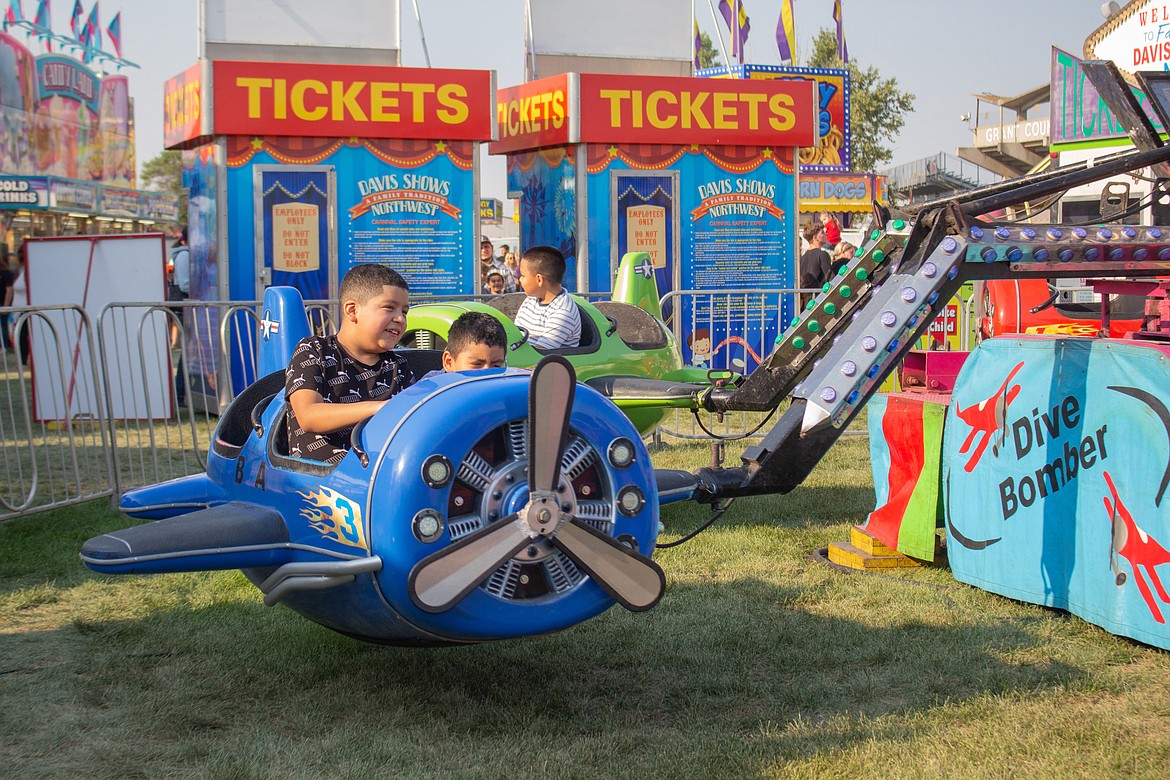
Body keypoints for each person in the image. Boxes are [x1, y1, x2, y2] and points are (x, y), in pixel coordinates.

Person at [285, 264, 415, 464]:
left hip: (377, 475)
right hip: (318, 484)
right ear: (352, 310)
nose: (400, 319)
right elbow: (309, 416)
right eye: (390, 308)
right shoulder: (313, 351)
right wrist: (383, 408)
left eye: (404, 312)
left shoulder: (398, 366)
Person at [515, 245, 581, 350]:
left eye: (523, 275)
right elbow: (516, 335)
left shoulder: (562, 312)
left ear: (539, 280)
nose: (520, 280)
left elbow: (539, 353)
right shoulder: (531, 299)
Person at [798, 222, 832, 311]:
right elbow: (830, 277)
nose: (825, 234)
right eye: (822, 233)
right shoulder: (822, 255)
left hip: (803, 301)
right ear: (815, 237)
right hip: (816, 300)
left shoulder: (803, 257)